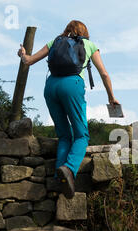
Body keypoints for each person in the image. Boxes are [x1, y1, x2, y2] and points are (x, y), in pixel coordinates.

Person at [17, 20, 119, 199]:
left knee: (64, 135)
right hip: (72, 84)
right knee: (81, 135)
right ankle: (69, 168)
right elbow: (104, 73)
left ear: (67, 30)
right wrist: (111, 97)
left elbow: (28, 61)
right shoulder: (88, 44)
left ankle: (59, 178)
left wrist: (23, 53)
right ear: (84, 32)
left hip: (51, 87)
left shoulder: (56, 41)